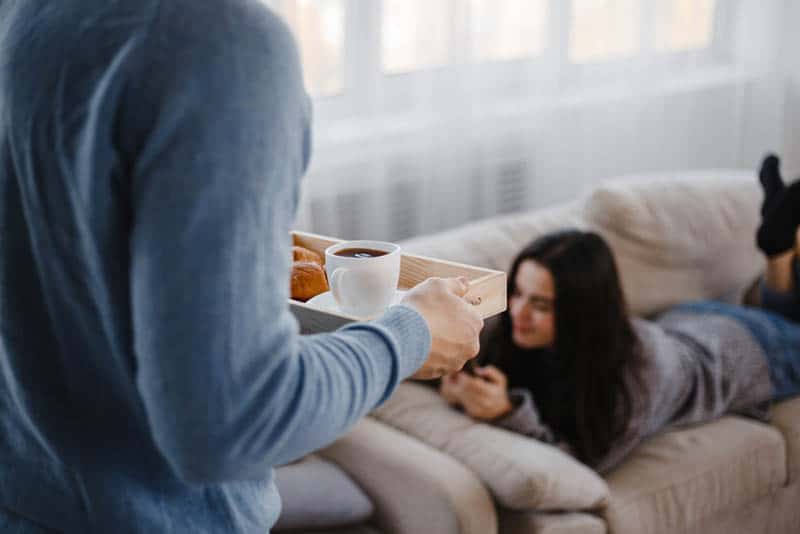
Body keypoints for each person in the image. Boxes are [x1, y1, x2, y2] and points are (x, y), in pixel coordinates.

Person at [0, 1, 483, 532]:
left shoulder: (29, 15)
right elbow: (232, 423)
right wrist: (410, 336)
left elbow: (72, 279)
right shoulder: (221, 42)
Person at [440, 154, 800, 474]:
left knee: (788, 324)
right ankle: (780, 255)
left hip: (747, 353)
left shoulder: (637, 379)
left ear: (582, 312)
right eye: (517, 293)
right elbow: (449, 337)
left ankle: (780, 257)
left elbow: (584, 460)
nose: (518, 312)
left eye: (541, 305)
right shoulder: (525, 327)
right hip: (689, 320)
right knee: (774, 310)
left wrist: (505, 412)